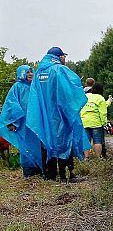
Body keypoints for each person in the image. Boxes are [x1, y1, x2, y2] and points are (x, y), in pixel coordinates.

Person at [25, 47, 91, 181]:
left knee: (47, 142)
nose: (65, 59)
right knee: (65, 141)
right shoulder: (60, 70)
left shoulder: (38, 74)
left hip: (44, 116)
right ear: (59, 57)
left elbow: (34, 96)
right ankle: (66, 175)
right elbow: (72, 88)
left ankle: (50, 175)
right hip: (60, 114)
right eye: (64, 57)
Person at [0, 65, 43, 177]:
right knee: (25, 145)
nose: (30, 74)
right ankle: (28, 171)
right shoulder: (17, 87)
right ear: (21, 73)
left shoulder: (36, 87)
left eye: (31, 72)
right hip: (22, 123)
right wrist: (11, 122)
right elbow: (10, 105)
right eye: (27, 72)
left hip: (36, 122)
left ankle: (39, 169)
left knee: (37, 144)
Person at [80, 83, 111, 158]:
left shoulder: (85, 96)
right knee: (97, 141)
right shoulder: (100, 98)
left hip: (85, 122)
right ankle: (98, 157)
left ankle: (86, 157)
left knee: (86, 141)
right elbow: (103, 112)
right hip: (96, 123)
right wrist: (104, 123)